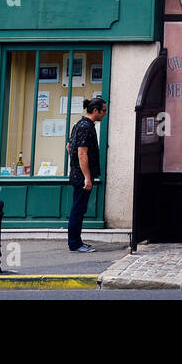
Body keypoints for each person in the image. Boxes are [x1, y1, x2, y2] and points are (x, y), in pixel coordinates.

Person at [67, 97, 107, 253]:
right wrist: (87, 177)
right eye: (104, 110)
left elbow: (69, 146)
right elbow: (82, 153)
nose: (105, 114)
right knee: (78, 209)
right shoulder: (86, 127)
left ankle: (77, 241)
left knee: (79, 208)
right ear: (95, 110)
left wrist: (75, 166)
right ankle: (75, 244)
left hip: (78, 174)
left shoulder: (79, 124)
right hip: (82, 177)